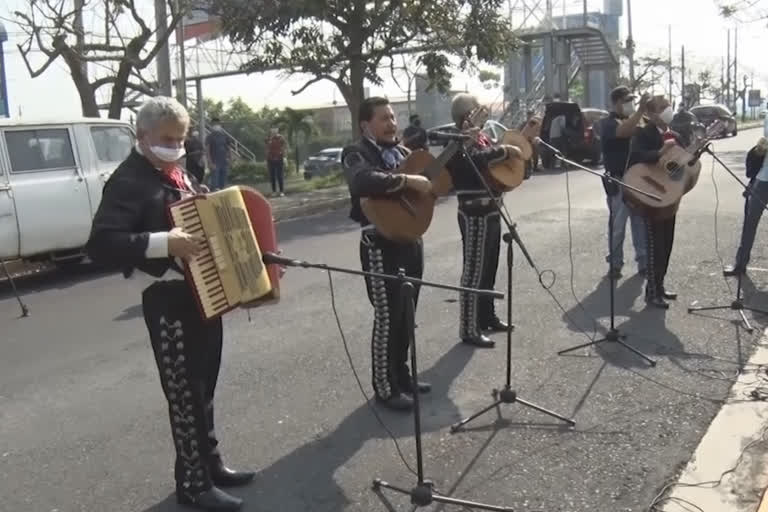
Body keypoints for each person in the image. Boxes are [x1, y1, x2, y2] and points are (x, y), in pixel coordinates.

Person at [85, 97, 253, 511]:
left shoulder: (178, 173)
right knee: (185, 396)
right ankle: (193, 485)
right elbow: (102, 245)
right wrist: (164, 243)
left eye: (181, 138)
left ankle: (211, 465)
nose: (176, 145)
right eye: (167, 139)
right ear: (142, 137)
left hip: (202, 294)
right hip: (167, 300)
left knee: (204, 389)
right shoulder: (129, 180)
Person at [341, 96, 433, 411]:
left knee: (407, 314)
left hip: (410, 241)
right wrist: (407, 180)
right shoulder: (356, 152)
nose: (392, 123)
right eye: (384, 118)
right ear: (366, 124)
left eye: (393, 117)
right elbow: (362, 181)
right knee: (388, 316)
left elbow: (431, 184)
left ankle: (403, 376)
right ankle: (385, 385)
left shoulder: (404, 152)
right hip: (379, 245)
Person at [446, 93, 520, 348]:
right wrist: (502, 150)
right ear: (466, 115)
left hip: (492, 209)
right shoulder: (456, 142)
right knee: (473, 271)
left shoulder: (481, 137)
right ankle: (468, 328)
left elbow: (492, 162)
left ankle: (487, 316)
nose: (483, 112)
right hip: (473, 211)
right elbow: (473, 163)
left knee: (489, 268)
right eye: (476, 109)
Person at [628, 95, 681, 309]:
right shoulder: (643, 133)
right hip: (650, 196)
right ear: (650, 113)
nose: (667, 110)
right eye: (661, 107)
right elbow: (636, 157)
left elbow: (678, 168)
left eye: (668, 106)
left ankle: (660, 286)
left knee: (666, 245)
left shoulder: (675, 135)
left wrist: (692, 156)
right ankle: (651, 292)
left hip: (670, 197)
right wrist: (659, 152)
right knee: (653, 247)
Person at [600, 86, 649, 279]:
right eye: (626, 101)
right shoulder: (608, 123)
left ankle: (643, 262)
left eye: (632, 100)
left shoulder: (637, 120)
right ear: (616, 103)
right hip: (618, 180)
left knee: (640, 223)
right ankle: (615, 263)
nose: (631, 104)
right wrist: (640, 111)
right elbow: (623, 132)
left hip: (636, 181)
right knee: (618, 226)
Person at [723, 137, 768, 277]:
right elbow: (759, 150)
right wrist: (758, 150)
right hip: (761, 181)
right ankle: (740, 264)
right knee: (749, 224)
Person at [206, 117, 230, 190]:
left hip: (224, 162)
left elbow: (228, 148)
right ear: (212, 124)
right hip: (215, 163)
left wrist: (229, 158)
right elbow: (207, 150)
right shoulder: (210, 137)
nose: (216, 125)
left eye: (217, 123)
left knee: (223, 182)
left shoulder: (224, 136)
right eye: (214, 123)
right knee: (215, 184)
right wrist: (210, 162)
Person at [265, 126, 286, 197]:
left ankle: (281, 191)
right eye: (272, 130)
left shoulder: (281, 138)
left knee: (280, 176)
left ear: (277, 130)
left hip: (279, 158)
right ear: (270, 130)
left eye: (275, 129)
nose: (274, 131)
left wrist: (284, 157)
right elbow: (267, 147)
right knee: (272, 176)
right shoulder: (268, 138)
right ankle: (274, 191)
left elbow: (284, 148)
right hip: (270, 159)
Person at [519, 110, 539, 175]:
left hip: (532, 141)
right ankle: (529, 169)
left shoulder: (535, 122)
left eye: (532, 114)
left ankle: (535, 167)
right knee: (528, 156)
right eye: (529, 114)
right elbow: (520, 132)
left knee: (535, 154)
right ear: (527, 115)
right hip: (526, 142)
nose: (530, 116)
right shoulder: (524, 123)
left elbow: (536, 131)